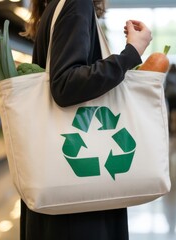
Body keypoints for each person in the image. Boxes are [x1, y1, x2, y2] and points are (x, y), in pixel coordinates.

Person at [19, 0, 152, 239]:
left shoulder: (58, 6)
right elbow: (65, 85)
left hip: (62, 183)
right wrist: (131, 54)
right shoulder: (76, 3)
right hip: (82, 202)